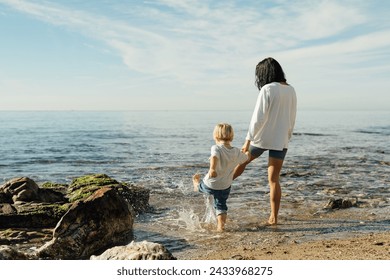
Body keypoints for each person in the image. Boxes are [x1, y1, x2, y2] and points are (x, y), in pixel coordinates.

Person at [233, 57, 297, 226]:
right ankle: (274, 218)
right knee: (274, 180)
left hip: (262, 137)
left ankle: (222, 186)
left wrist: (247, 140)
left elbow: (257, 119)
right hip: (280, 139)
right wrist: (287, 136)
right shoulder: (291, 90)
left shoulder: (267, 89)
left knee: (242, 162)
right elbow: (292, 117)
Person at [193, 123, 249, 232]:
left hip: (211, 183)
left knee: (201, 187)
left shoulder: (216, 148)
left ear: (215, 136)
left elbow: (214, 156)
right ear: (232, 136)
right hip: (224, 186)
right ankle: (220, 227)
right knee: (221, 205)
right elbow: (245, 159)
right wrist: (247, 153)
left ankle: (196, 184)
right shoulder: (236, 152)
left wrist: (212, 169)